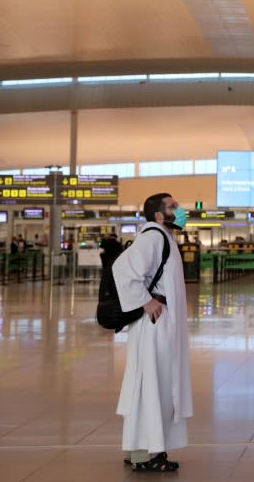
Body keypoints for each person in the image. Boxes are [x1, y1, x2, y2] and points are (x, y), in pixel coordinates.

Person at [112, 193, 193, 472]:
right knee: (154, 384)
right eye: (172, 207)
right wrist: (146, 301)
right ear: (158, 215)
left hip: (159, 323)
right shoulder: (154, 236)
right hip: (155, 324)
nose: (179, 210)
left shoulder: (163, 237)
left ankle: (139, 448)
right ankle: (149, 452)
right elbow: (122, 269)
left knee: (148, 384)